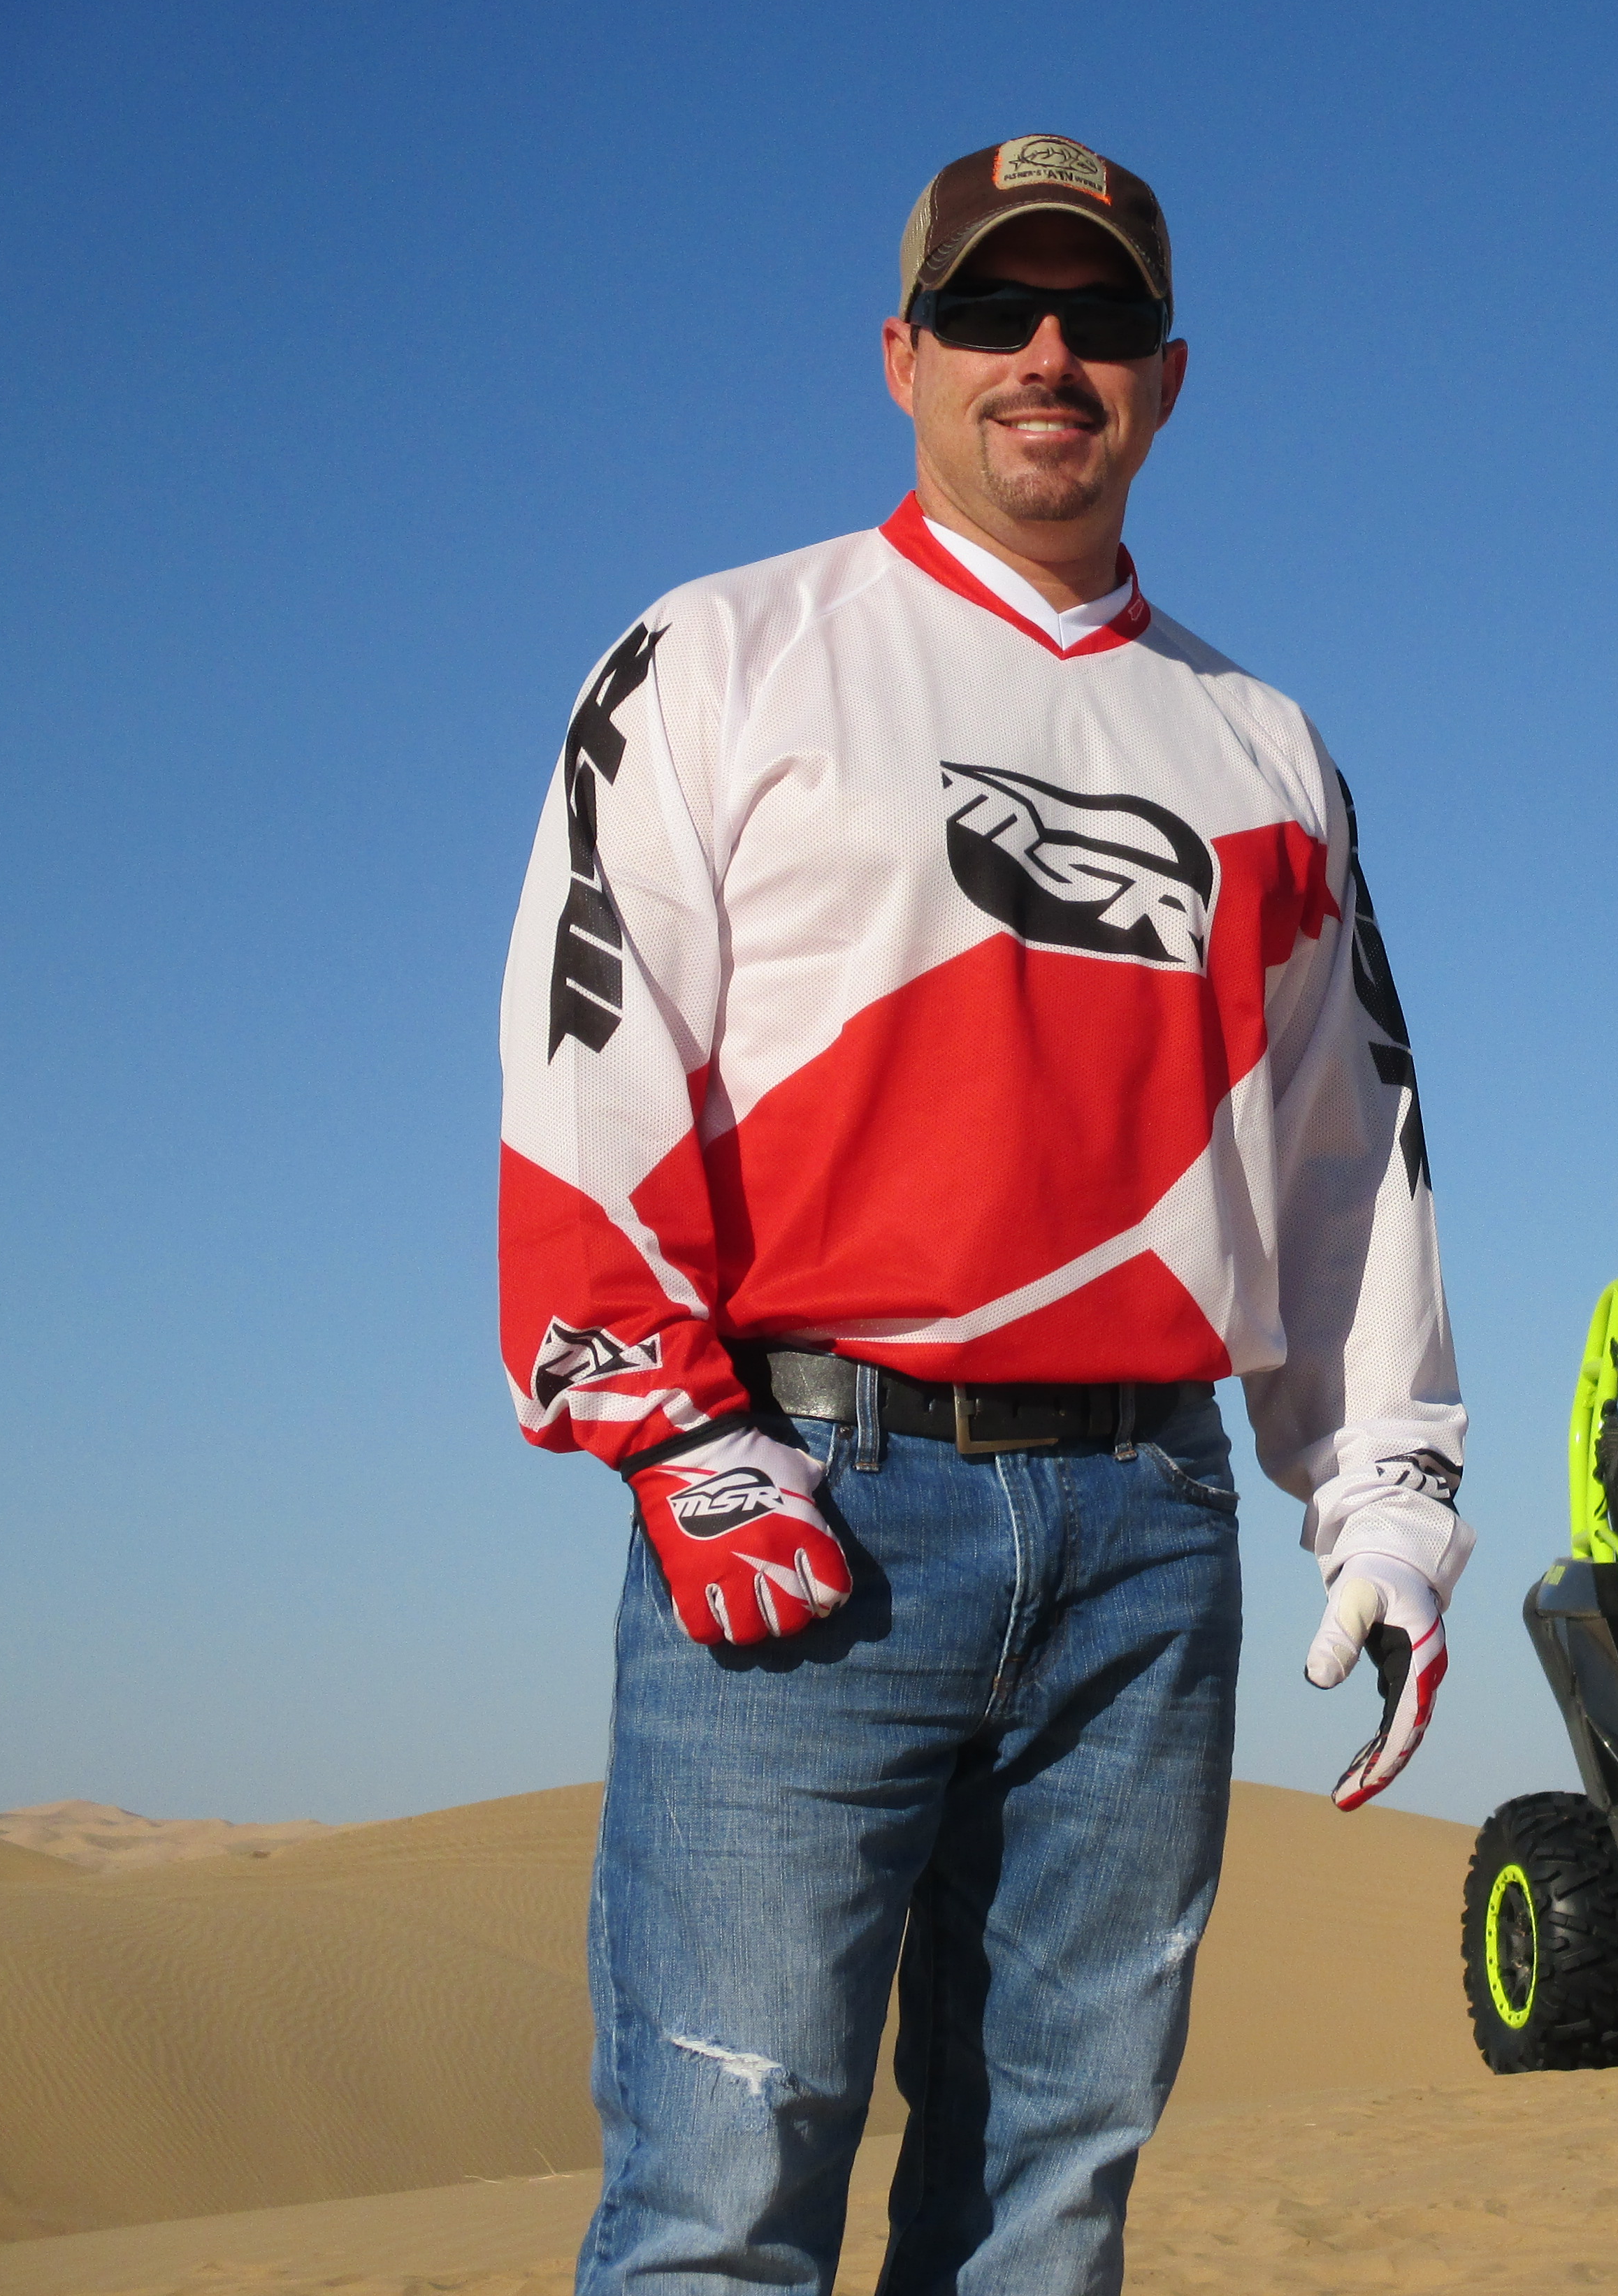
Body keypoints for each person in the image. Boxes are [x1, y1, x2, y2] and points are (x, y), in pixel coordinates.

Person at [496, 132, 1471, 2296]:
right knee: (717, 2209)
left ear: (1171, 377)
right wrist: (671, 1429)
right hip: (807, 1503)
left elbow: (1350, 1143)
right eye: (996, 313)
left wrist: (1386, 1495)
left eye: (1102, 317)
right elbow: (585, 1058)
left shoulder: (1264, 745)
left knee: (1048, 2214)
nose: (1051, 355)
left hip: (1147, 1534)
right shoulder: (720, 654)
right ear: (902, 356)